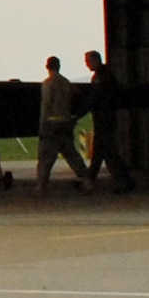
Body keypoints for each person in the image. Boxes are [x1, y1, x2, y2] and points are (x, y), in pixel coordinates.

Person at [34, 55, 91, 195]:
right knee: (71, 154)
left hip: (51, 123)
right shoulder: (66, 83)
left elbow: (45, 105)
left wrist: (41, 125)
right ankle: (87, 181)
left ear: (47, 67)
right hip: (65, 122)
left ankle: (42, 186)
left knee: (46, 157)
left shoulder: (48, 83)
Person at [82, 49, 135, 193]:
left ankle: (123, 180)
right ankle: (89, 181)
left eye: (88, 61)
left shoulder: (102, 76)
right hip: (102, 119)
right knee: (98, 153)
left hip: (104, 119)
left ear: (95, 60)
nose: (86, 64)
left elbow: (97, 97)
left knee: (108, 153)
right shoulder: (103, 75)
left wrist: (82, 111)